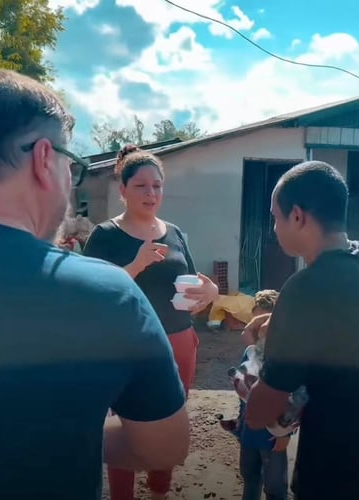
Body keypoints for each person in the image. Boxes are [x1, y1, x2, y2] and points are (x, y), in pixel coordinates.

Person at [0, 68, 190, 500]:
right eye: (70, 166)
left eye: (157, 186)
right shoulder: (107, 285)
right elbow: (165, 444)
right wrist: (69, 434)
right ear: (42, 159)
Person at [245, 161, 359, 500]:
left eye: (275, 217)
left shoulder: (303, 289)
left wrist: (253, 367)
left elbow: (260, 414)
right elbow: (349, 323)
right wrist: (280, 326)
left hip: (335, 469)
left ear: (296, 216)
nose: (274, 227)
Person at [82, 144, 219, 500]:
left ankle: (160, 491)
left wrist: (210, 292)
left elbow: (191, 281)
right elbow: (91, 295)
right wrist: (135, 265)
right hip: (125, 346)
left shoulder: (174, 233)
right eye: (141, 186)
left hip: (178, 341)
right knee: (125, 425)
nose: (151, 193)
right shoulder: (106, 236)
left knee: (169, 424)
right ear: (123, 190)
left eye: (157, 185)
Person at [218, 289, 289, 500]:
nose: (258, 330)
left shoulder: (281, 355)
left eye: (264, 324)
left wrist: (284, 434)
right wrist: (239, 422)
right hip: (249, 432)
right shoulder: (249, 353)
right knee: (250, 478)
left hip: (273, 434)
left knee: (275, 488)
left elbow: (290, 398)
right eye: (255, 322)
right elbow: (244, 393)